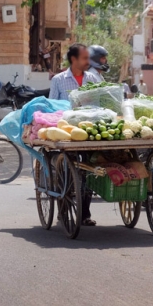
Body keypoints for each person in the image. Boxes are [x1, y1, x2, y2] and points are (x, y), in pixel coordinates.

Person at [49, 43, 101, 226]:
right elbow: (52, 107)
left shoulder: (93, 79)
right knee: (66, 172)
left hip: (89, 133)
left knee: (88, 171)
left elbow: (100, 104)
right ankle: (63, 212)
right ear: (74, 59)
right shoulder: (58, 80)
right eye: (85, 58)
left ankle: (85, 214)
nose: (88, 61)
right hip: (66, 134)